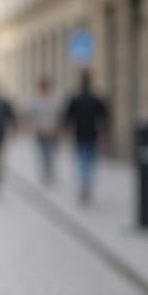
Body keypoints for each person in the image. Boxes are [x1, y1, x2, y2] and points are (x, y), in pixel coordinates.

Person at [63, 70, 109, 203]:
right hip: (92, 134)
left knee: (81, 162)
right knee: (89, 162)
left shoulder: (76, 98)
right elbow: (104, 118)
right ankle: (87, 185)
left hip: (79, 134)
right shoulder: (96, 99)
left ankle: (83, 184)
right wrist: (106, 135)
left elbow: (68, 116)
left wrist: (65, 130)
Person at [28, 75, 62, 184]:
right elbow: (32, 116)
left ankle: (49, 171)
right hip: (41, 131)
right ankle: (45, 172)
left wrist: (57, 129)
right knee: (42, 153)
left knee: (50, 152)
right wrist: (33, 126)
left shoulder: (53, 100)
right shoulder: (36, 100)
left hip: (51, 131)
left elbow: (58, 115)